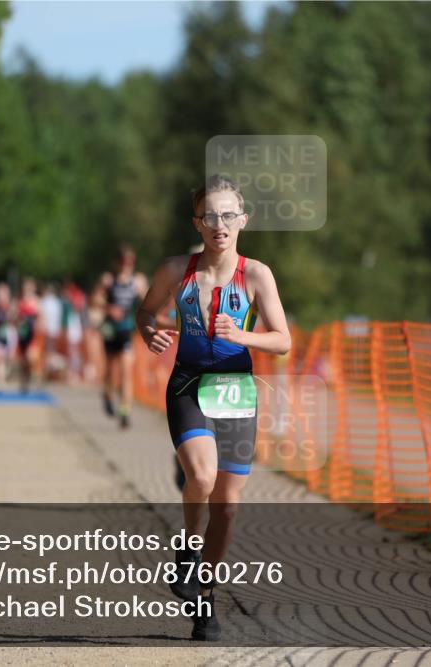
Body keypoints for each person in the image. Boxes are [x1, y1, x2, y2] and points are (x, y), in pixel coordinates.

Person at [136, 175, 291, 641]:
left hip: (236, 390)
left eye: (228, 215)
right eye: (210, 216)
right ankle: (186, 550)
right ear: (197, 223)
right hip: (188, 383)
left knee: (226, 507)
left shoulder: (257, 274)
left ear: (243, 220)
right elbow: (145, 312)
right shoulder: (175, 270)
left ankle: (204, 597)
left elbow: (283, 340)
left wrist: (240, 335)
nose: (219, 224)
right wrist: (149, 332)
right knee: (201, 478)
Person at [97, 245, 147, 429]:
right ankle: (107, 394)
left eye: (130, 263)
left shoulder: (137, 281)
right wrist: (109, 308)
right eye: (123, 262)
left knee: (127, 370)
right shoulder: (108, 280)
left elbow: (149, 301)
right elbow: (95, 299)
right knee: (111, 370)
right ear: (116, 263)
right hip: (110, 329)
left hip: (126, 330)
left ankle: (125, 410)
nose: (126, 266)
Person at [16, 278, 42, 394]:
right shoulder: (20, 302)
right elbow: (16, 318)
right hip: (22, 335)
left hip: (33, 334)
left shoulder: (37, 302)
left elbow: (41, 317)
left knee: (31, 357)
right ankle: (24, 383)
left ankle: (35, 379)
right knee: (23, 361)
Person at [0, 282, 15, 392]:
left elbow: (14, 320)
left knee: (7, 359)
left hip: (9, 334)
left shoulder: (11, 306)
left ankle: (3, 377)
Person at [40, 282, 64, 379]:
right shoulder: (57, 302)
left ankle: (49, 372)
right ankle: (50, 372)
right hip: (54, 330)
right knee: (51, 351)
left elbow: (43, 317)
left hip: (47, 330)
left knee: (47, 352)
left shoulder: (45, 301)